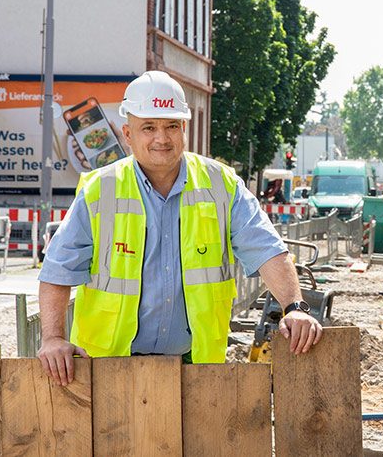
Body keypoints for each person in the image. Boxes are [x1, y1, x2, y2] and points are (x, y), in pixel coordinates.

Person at [37, 71, 322, 386]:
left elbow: (267, 250)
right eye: (149, 127)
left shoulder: (222, 185)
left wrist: (294, 307)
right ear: (128, 134)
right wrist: (52, 338)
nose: (162, 138)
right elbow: (57, 269)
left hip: (195, 370)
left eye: (171, 125)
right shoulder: (99, 190)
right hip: (107, 371)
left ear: (183, 129)